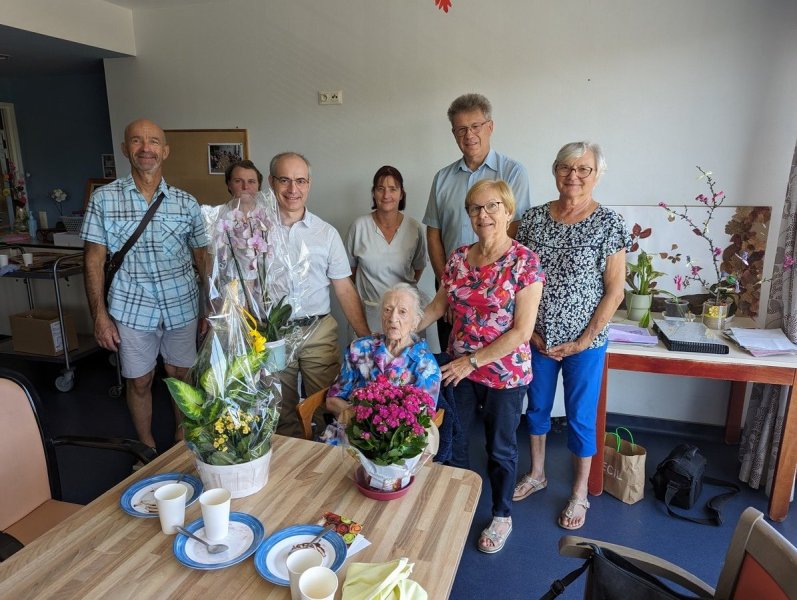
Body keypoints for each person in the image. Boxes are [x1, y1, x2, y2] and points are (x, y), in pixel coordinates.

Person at [417, 179, 544, 554]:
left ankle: (501, 514)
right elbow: (439, 306)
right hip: (459, 368)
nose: (483, 215)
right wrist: (403, 326)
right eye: (475, 208)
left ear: (507, 211)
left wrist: (473, 361)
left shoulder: (525, 262)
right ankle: (456, 504)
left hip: (503, 374)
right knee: (452, 440)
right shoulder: (458, 258)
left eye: (491, 207)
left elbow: (522, 330)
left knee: (500, 449)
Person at [514, 141, 629, 530]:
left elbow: (615, 290)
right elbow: (517, 279)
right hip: (539, 340)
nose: (574, 176)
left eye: (584, 169)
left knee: (581, 418)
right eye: (566, 167)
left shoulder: (610, 224)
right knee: (537, 409)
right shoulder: (530, 220)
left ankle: (580, 492)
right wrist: (527, 331)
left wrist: (583, 340)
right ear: (554, 170)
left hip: (587, 344)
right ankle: (538, 473)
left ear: (597, 175)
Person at [81, 118, 208, 453]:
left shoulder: (186, 203)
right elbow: (93, 260)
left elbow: (203, 261)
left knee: (181, 377)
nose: (146, 148)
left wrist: (210, 308)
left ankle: (182, 442)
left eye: (153, 141)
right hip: (130, 307)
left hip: (181, 305)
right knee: (139, 381)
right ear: (125, 149)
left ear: (165, 151)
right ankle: (146, 447)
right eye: (137, 141)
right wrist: (100, 316)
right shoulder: (104, 200)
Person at [268, 152, 370, 437]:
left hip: (317, 330)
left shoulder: (325, 234)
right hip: (274, 334)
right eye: (284, 180)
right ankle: (290, 468)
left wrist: (365, 336)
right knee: (280, 409)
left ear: (309, 184)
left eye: (300, 181)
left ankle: (324, 466)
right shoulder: (257, 230)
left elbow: (344, 287)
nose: (293, 189)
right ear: (271, 182)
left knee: (328, 404)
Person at [423, 93, 532, 349]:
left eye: (475, 126)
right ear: (453, 133)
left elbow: (515, 229)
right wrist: (450, 289)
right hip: (450, 294)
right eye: (461, 129)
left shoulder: (513, 172)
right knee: (453, 367)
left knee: (493, 368)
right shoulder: (442, 178)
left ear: (490, 126)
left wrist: (487, 289)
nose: (469, 135)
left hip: (497, 296)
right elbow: (433, 235)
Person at [326, 283, 440, 416]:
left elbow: (423, 418)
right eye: (387, 310)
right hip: (351, 427)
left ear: (415, 322)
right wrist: (362, 418)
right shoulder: (359, 349)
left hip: (398, 435)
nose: (392, 318)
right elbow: (332, 401)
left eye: (402, 312)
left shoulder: (426, 365)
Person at [345, 166, 427, 332]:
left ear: (401, 193)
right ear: (373, 193)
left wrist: (399, 298)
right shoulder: (359, 226)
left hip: (405, 316)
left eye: (393, 189)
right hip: (369, 315)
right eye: (380, 189)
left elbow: (418, 268)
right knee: (369, 357)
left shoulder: (414, 228)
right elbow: (348, 275)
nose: (386, 195)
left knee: (405, 357)